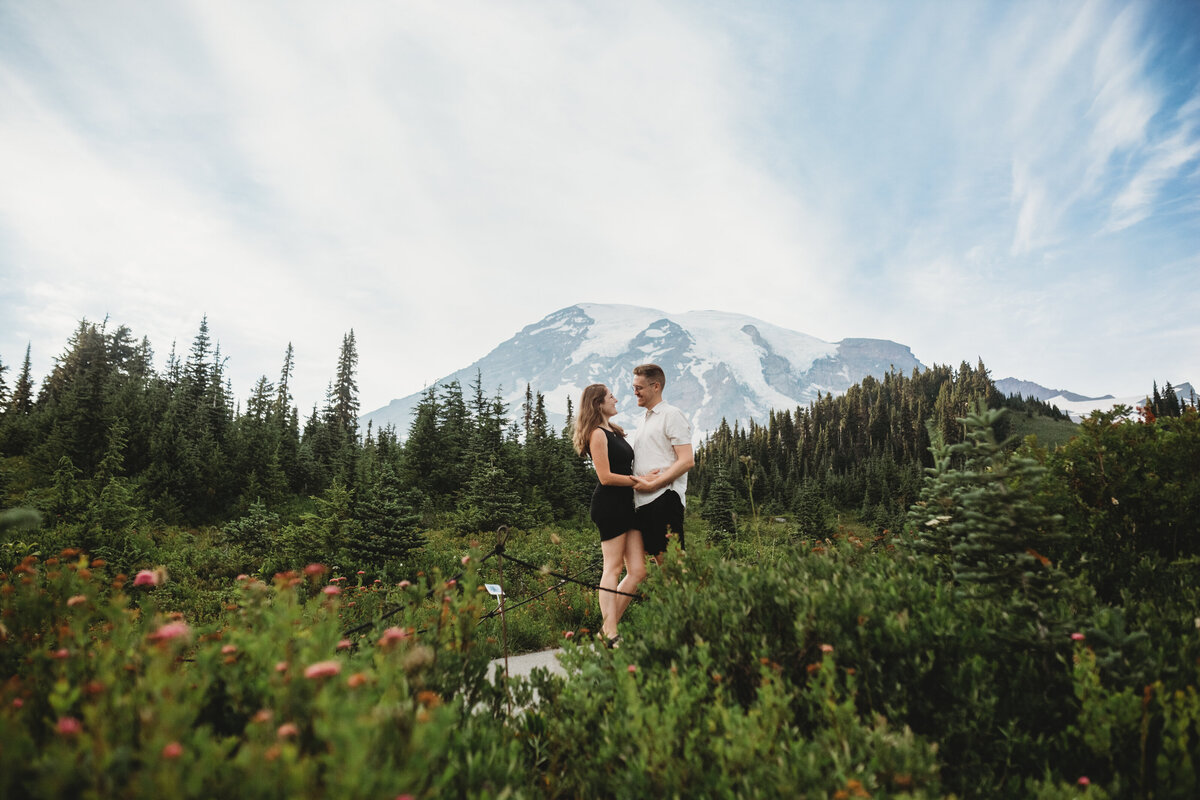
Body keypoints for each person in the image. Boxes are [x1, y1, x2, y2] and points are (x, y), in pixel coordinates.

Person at [572, 383, 647, 647]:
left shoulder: (614, 431)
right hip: (609, 506)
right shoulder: (597, 435)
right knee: (613, 568)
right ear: (598, 403)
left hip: (629, 504)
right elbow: (604, 477)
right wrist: (638, 481)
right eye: (610, 396)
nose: (615, 399)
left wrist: (644, 478)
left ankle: (606, 628)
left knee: (638, 571)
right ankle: (612, 632)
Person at [631, 364, 694, 560]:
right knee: (659, 569)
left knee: (672, 569)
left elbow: (687, 460)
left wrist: (653, 484)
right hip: (643, 503)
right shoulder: (644, 419)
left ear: (655, 386)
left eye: (639, 388)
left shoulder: (671, 415)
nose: (635, 393)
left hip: (664, 500)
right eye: (634, 388)